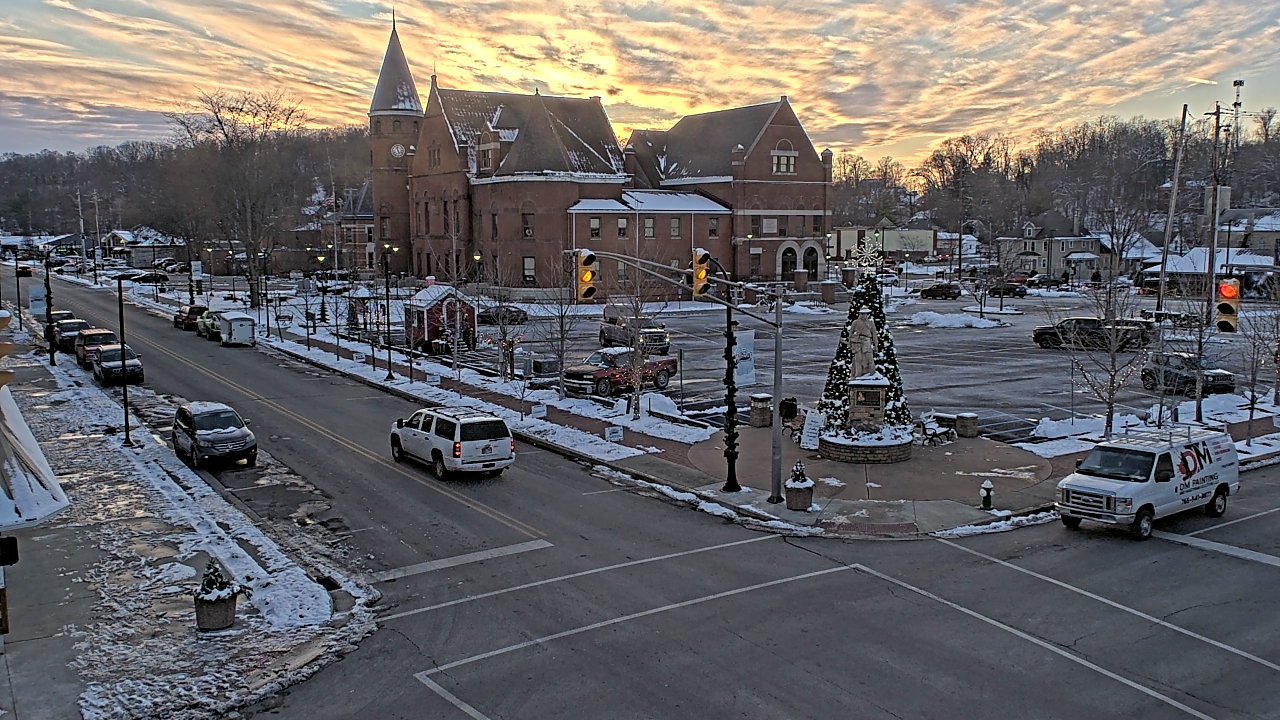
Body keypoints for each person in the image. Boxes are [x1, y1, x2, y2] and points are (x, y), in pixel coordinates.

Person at [851, 308, 877, 378]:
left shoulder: (870, 323)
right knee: (858, 359)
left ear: (867, 315)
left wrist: (876, 345)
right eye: (861, 314)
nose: (862, 315)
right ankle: (858, 374)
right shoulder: (855, 322)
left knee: (870, 358)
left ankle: (872, 373)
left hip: (867, 341)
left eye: (864, 314)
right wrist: (851, 342)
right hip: (857, 342)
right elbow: (851, 333)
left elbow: (874, 334)